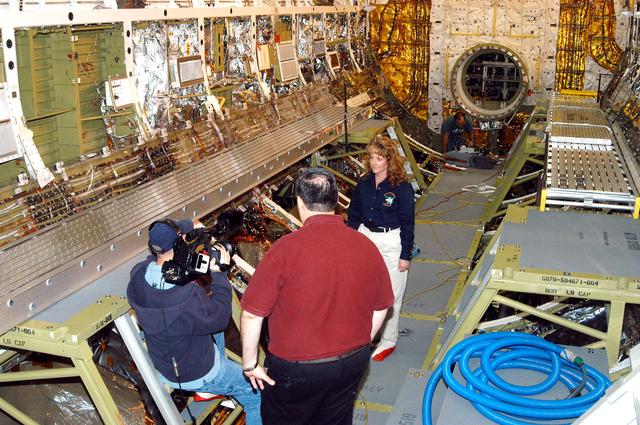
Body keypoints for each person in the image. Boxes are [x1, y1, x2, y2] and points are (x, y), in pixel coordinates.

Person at [240, 168, 394, 425]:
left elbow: (252, 314)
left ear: (300, 202)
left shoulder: (285, 250)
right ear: (335, 200)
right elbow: (383, 306)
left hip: (297, 370)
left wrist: (250, 365)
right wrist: (362, 342)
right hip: (352, 362)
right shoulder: (365, 245)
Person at [127, 218, 262, 425]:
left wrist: (193, 230)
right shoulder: (187, 294)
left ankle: (209, 388)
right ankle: (209, 386)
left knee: (204, 317)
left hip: (165, 366)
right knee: (255, 391)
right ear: (179, 242)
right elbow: (220, 318)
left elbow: (160, 262)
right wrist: (219, 275)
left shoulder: (138, 275)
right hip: (197, 372)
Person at [347, 136, 415, 362]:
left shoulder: (401, 187)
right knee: (364, 290)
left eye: (379, 158)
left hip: (391, 242)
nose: (374, 162)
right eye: (371, 157)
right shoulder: (364, 183)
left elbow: (407, 222)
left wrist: (405, 255)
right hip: (366, 237)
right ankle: (368, 334)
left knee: (392, 295)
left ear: (389, 159)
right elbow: (354, 214)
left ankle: (388, 341)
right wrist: (349, 242)